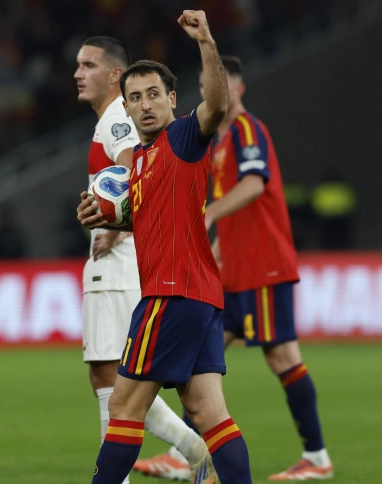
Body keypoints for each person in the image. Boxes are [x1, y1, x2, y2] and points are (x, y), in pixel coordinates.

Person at [139, 56, 334, 481]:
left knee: (282, 357)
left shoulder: (247, 131)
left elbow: (255, 183)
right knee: (196, 362)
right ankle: (188, 455)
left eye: (225, 84)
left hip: (264, 266)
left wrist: (208, 215)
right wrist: (219, 247)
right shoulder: (220, 142)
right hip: (234, 271)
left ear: (238, 90)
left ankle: (316, 456)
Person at [78, 11, 252, 484]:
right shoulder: (144, 163)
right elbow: (151, 217)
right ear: (127, 109)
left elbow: (215, 104)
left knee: (123, 404)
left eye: (154, 94)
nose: (145, 105)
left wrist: (206, 43)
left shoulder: (181, 139)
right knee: (207, 411)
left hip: (171, 295)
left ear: (172, 99)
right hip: (199, 297)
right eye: (135, 98)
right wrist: (111, 216)